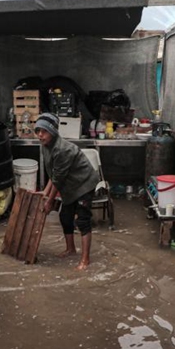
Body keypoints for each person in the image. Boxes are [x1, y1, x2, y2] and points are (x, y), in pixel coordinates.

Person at [34, 113, 100, 270]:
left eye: (44, 131)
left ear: (53, 132)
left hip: (84, 183)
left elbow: (58, 179)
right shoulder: (45, 146)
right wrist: (45, 192)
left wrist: (50, 201)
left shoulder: (63, 150)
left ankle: (85, 259)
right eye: (38, 131)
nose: (40, 135)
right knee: (65, 216)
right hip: (69, 185)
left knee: (83, 220)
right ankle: (71, 249)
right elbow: (53, 173)